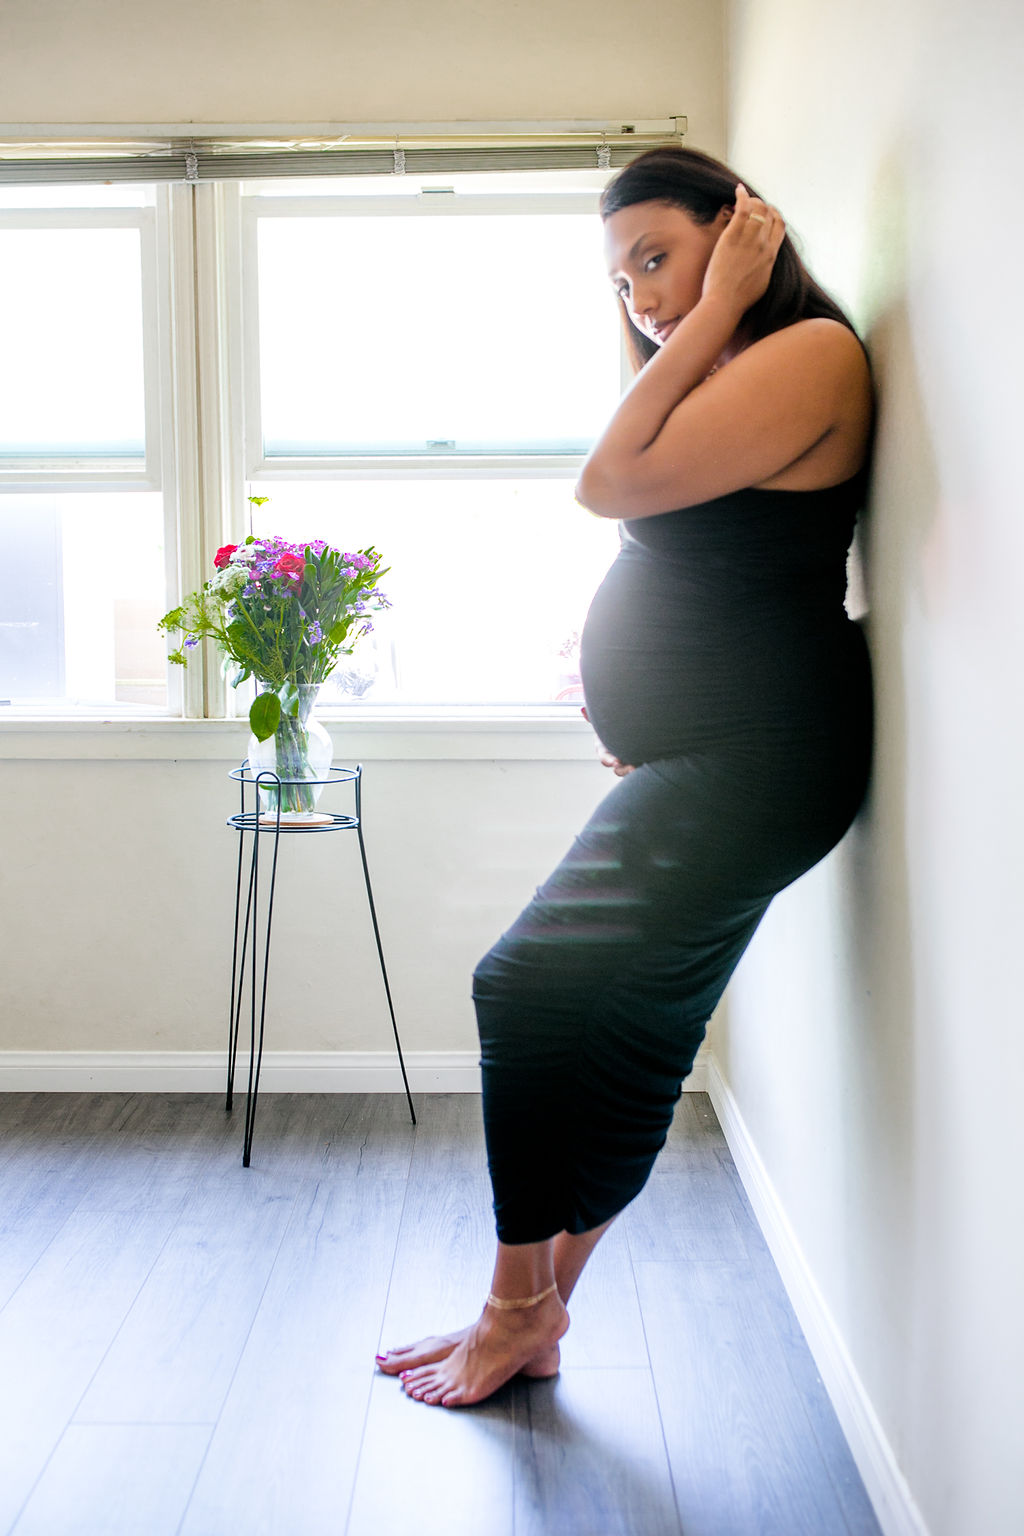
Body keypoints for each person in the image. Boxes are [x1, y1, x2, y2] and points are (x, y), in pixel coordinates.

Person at [375, 146, 874, 1408]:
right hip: (714, 753)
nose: (642, 297)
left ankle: (510, 1305)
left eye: (658, 257)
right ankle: (540, 1317)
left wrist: (707, 315)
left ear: (743, 230)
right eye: (622, 280)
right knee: (633, 1032)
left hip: (756, 759)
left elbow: (607, 485)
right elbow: (703, 555)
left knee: (525, 986)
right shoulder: (722, 368)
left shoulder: (807, 353)